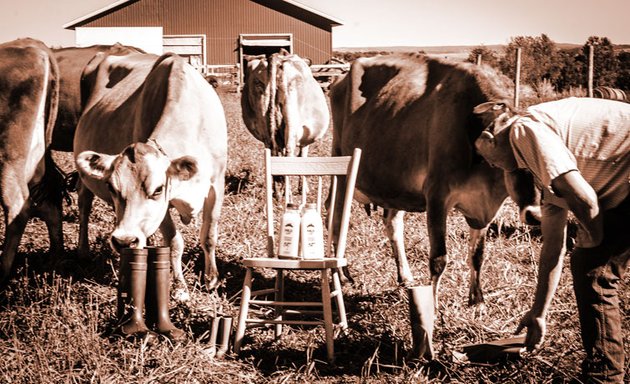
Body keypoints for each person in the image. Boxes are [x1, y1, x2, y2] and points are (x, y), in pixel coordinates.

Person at [473, 97, 629, 383]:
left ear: (488, 138)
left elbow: (586, 200)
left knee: (594, 272)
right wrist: (538, 312)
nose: (490, 165)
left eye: (485, 157)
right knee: (588, 264)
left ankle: (604, 378)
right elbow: (553, 246)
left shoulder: (523, 130)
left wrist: (591, 237)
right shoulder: (543, 169)